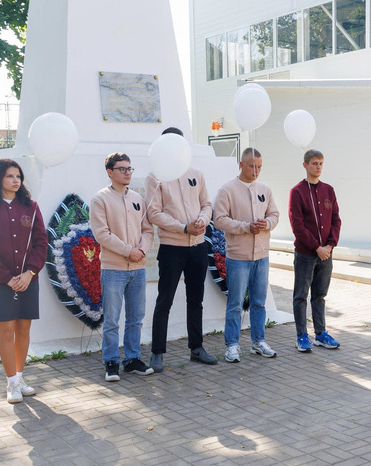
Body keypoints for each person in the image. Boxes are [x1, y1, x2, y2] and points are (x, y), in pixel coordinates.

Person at [0, 159, 47, 404]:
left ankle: (21, 377)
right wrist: (7, 278)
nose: (16, 180)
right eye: (10, 176)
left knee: (23, 329)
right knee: (5, 331)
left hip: (28, 279)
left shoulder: (31, 207)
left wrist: (29, 273)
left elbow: (40, 242)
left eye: (18, 176)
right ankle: (11, 383)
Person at [145, 127, 217, 373]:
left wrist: (202, 221)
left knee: (195, 300)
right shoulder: (156, 177)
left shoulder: (196, 173)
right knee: (164, 300)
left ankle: (197, 348)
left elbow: (207, 204)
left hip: (197, 248)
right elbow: (153, 213)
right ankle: (157, 353)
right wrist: (182, 228)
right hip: (172, 248)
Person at [90, 153, 154, 382]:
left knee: (136, 317)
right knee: (112, 320)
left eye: (130, 168)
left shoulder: (138, 197)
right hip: (113, 269)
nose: (127, 172)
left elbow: (147, 230)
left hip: (137, 268)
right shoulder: (100, 199)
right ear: (110, 172)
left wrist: (142, 250)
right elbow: (102, 235)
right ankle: (111, 361)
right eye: (122, 169)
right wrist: (129, 251)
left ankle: (133, 359)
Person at [214, 147, 279, 363]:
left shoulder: (265, 189)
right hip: (238, 257)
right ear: (241, 165)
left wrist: (267, 223)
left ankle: (258, 341)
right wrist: (245, 227)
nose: (256, 170)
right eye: (252, 166)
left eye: (259, 166)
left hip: (262, 255)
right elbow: (220, 219)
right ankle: (232, 345)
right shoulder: (227, 190)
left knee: (259, 302)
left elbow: (275, 214)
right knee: (235, 302)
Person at [288, 149, 342, 353]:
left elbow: (336, 219)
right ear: (305, 165)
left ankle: (320, 334)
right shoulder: (298, 191)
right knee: (300, 296)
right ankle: (302, 335)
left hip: (326, 254)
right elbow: (297, 226)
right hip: (306, 254)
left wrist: (329, 246)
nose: (318, 167)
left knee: (320, 295)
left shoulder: (328, 190)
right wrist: (316, 247)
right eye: (314, 163)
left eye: (320, 163)